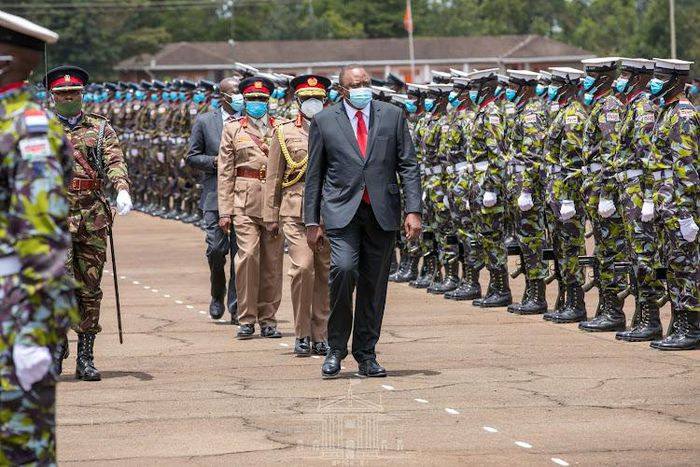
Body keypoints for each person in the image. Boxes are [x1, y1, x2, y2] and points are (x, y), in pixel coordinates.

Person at [304, 65, 422, 379]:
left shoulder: (392, 115)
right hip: (341, 212)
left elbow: (408, 166)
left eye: (366, 82)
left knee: (374, 285)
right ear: (341, 90)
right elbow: (314, 175)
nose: (362, 87)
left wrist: (413, 210)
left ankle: (366, 354)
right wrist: (310, 222)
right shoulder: (324, 121)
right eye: (355, 84)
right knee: (342, 270)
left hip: (381, 211)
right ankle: (335, 348)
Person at [0, 11, 78, 464]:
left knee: (20, 449)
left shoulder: (29, 129)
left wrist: (32, 331)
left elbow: (42, 234)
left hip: (13, 312)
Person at [44, 65, 132, 381]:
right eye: (62, 93)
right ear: (51, 96)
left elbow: (115, 161)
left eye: (73, 93)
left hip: (92, 217)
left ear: (82, 95)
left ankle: (86, 356)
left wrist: (121, 188)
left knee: (90, 289)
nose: (68, 97)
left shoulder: (100, 129)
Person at [264, 74, 332, 356]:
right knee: (303, 268)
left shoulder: (335, 128)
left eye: (318, 99)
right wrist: (270, 213)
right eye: (307, 99)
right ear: (297, 101)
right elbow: (273, 176)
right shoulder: (284, 132)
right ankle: (302, 333)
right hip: (295, 210)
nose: (312, 104)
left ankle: (321, 335)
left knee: (325, 273)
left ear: (325, 101)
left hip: (329, 211)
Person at [218, 76, 285, 339]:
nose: (257, 103)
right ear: (244, 101)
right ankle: (246, 317)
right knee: (247, 257)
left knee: (272, 262)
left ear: (269, 101)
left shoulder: (281, 127)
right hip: (243, 202)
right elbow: (225, 173)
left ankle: (268, 318)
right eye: (252, 99)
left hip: (275, 204)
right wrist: (224, 211)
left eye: (262, 99)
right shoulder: (233, 129)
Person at [647, 58, 699, 350]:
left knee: (686, 265)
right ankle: (681, 322)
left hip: (679, 202)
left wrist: (686, 213)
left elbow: (686, 167)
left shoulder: (682, 115)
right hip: (666, 200)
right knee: (674, 264)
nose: (655, 81)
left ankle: (691, 327)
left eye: (661, 77)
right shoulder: (667, 112)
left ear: (676, 82)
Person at [186, 77, 240, 323]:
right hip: (214, 194)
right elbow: (192, 156)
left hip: (245, 195)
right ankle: (217, 293)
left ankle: (237, 304)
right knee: (216, 250)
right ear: (222, 96)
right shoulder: (206, 121)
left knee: (242, 254)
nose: (240, 96)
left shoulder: (250, 121)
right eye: (234, 92)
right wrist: (214, 162)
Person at [504, 69, 549, 315]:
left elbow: (533, 156)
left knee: (532, 241)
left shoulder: (531, 114)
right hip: (520, 184)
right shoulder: (523, 112)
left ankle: (538, 294)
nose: (509, 89)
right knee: (525, 241)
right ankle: (531, 290)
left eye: (513, 85)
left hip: (527, 187)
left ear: (524, 88)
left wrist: (527, 190)